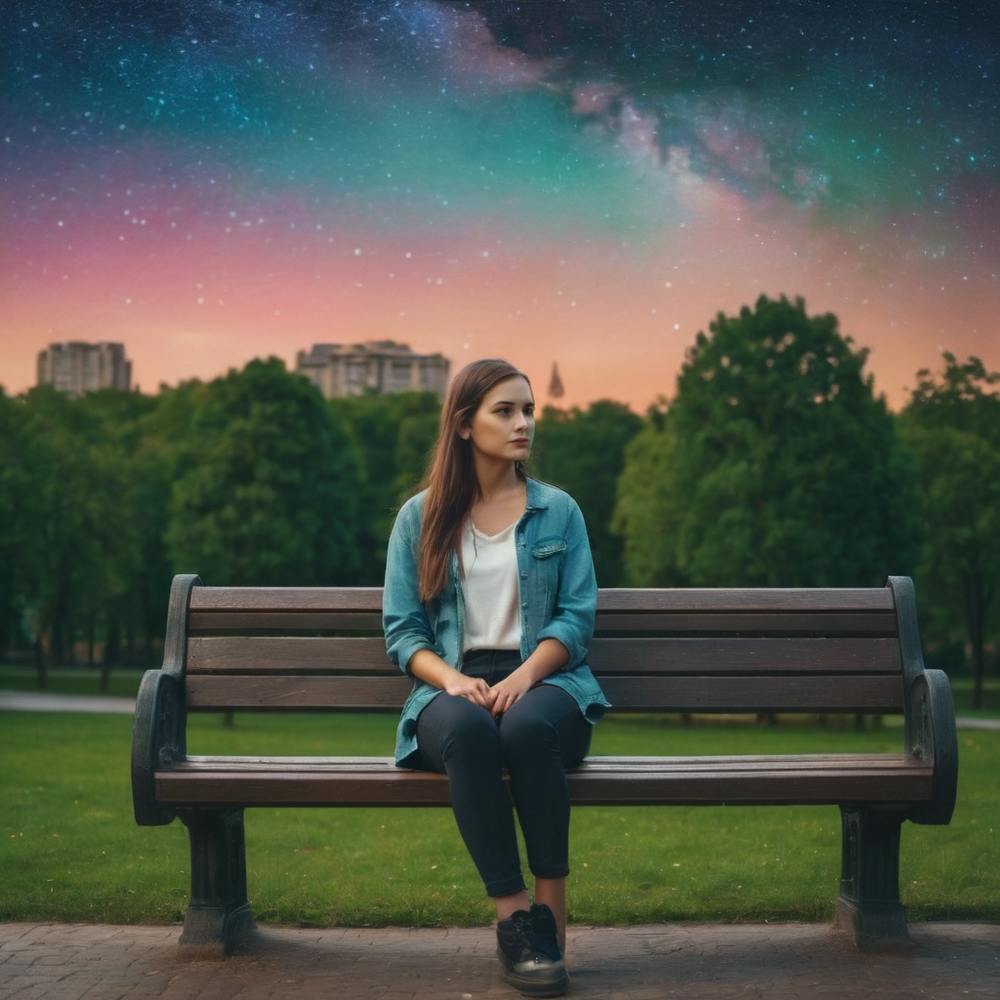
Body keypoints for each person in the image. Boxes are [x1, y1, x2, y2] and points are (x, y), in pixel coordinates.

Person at [382, 358, 612, 998]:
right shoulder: (420, 518)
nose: (523, 425)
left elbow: (575, 619)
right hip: (451, 683)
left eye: (529, 410)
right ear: (463, 425)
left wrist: (526, 676)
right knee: (471, 732)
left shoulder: (558, 512)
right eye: (505, 411)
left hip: (547, 680)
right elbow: (403, 632)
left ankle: (551, 913)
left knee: (529, 728)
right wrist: (452, 681)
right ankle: (518, 924)